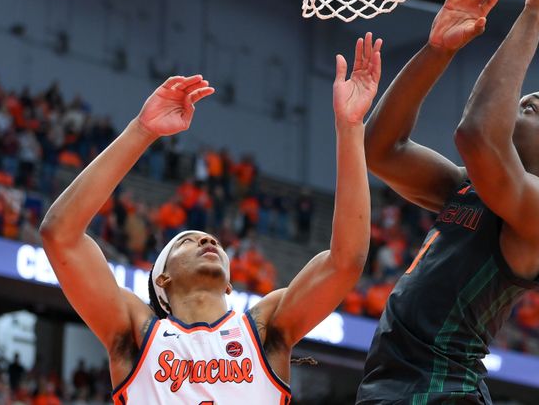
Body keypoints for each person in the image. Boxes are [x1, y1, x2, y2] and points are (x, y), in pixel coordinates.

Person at [40, 33, 382, 403]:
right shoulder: (137, 333)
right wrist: (142, 131)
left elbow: (346, 261)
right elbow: (60, 234)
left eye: (214, 242)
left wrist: (350, 128)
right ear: (163, 279)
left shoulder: (264, 327)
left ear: (230, 285)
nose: (208, 241)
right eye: (188, 241)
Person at [357, 0, 539, 404]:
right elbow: (380, 149)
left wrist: (536, 9)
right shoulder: (466, 188)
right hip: (393, 387)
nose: (513, 107)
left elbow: (476, 132)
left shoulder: (538, 209)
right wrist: (439, 50)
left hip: (443, 392)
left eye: (529, 108)